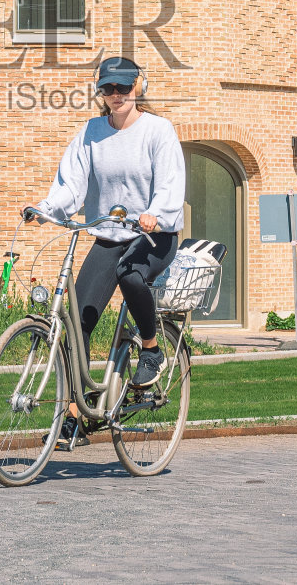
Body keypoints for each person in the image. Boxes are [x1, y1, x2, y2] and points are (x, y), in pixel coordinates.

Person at [27, 55, 185, 449]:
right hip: (109, 234)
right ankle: (76, 415)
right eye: (108, 89)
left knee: (132, 276)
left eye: (123, 87)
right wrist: (47, 209)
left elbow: (169, 183)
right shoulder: (92, 133)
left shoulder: (158, 131)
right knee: (79, 322)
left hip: (153, 235)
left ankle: (151, 350)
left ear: (138, 86)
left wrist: (155, 214)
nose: (116, 95)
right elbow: (71, 182)